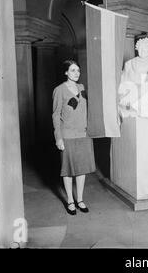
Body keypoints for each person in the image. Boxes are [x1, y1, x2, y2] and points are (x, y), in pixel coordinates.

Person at [52, 59, 96, 215]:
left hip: (84, 134)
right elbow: (56, 115)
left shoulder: (82, 88)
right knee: (68, 169)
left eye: (78, 70)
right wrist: (58, 137)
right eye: (72, 70)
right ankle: (70, 200)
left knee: (81, 169)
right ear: (65, 72)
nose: (76, 73)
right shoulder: (59, 90)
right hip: (67, 135)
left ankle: (80, 199)